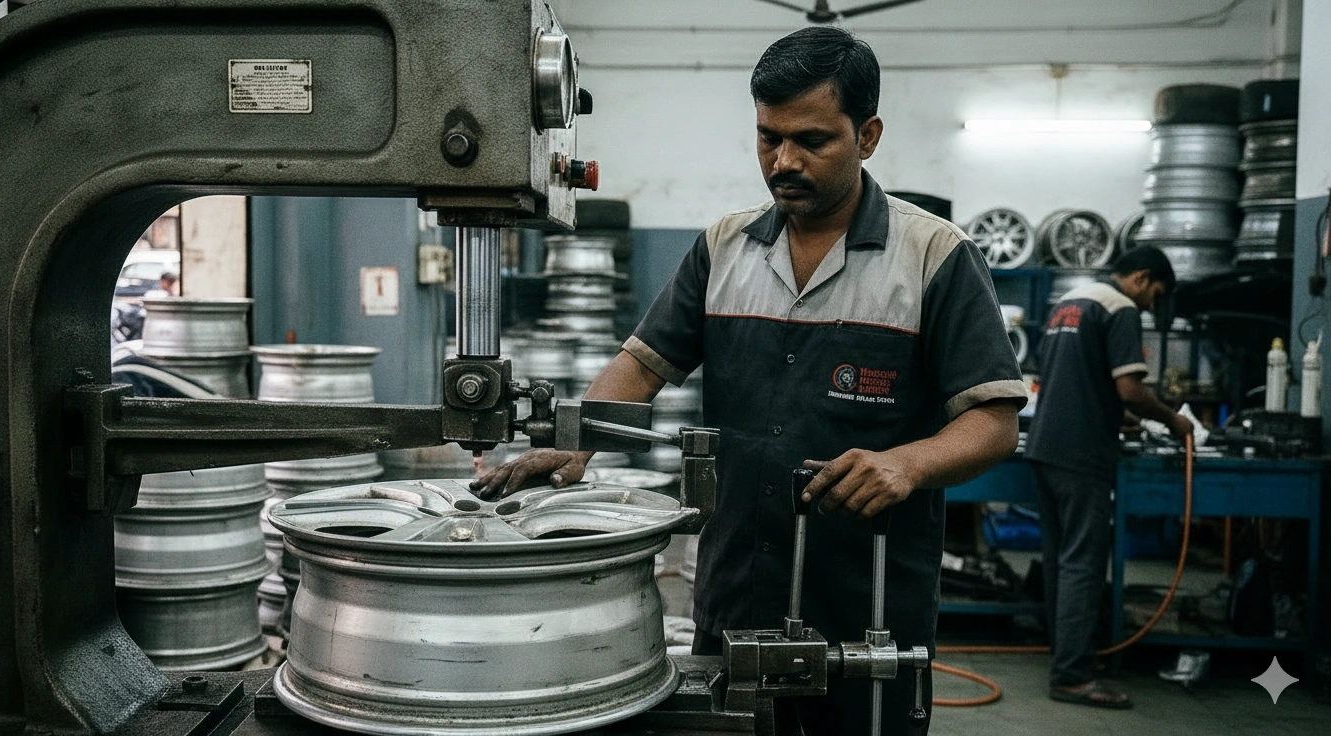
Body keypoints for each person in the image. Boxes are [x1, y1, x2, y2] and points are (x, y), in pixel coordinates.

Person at [474, 27, 1027, 733]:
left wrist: (907, 463)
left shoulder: (934, 258)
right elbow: (644, 363)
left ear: (869, 135)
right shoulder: (723, 248)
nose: (783, 160)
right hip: (736, 595)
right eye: (768, 138)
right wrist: (581, 439)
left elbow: (994, 422)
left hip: (868, 609)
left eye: (812, 140)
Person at [1024, 245, 1195, 709]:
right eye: (1155, 294)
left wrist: (1112, 416)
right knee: (1082, 562)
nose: (1151, 305)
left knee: (1061, 560)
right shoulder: (1119, 308)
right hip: (1082, 454)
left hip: (1044, 446)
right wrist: (1174, 420)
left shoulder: (1069, 303)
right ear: (1140, 277)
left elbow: (1069, 379)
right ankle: (1073, 676)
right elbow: (1130, 389)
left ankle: (1067, 659)